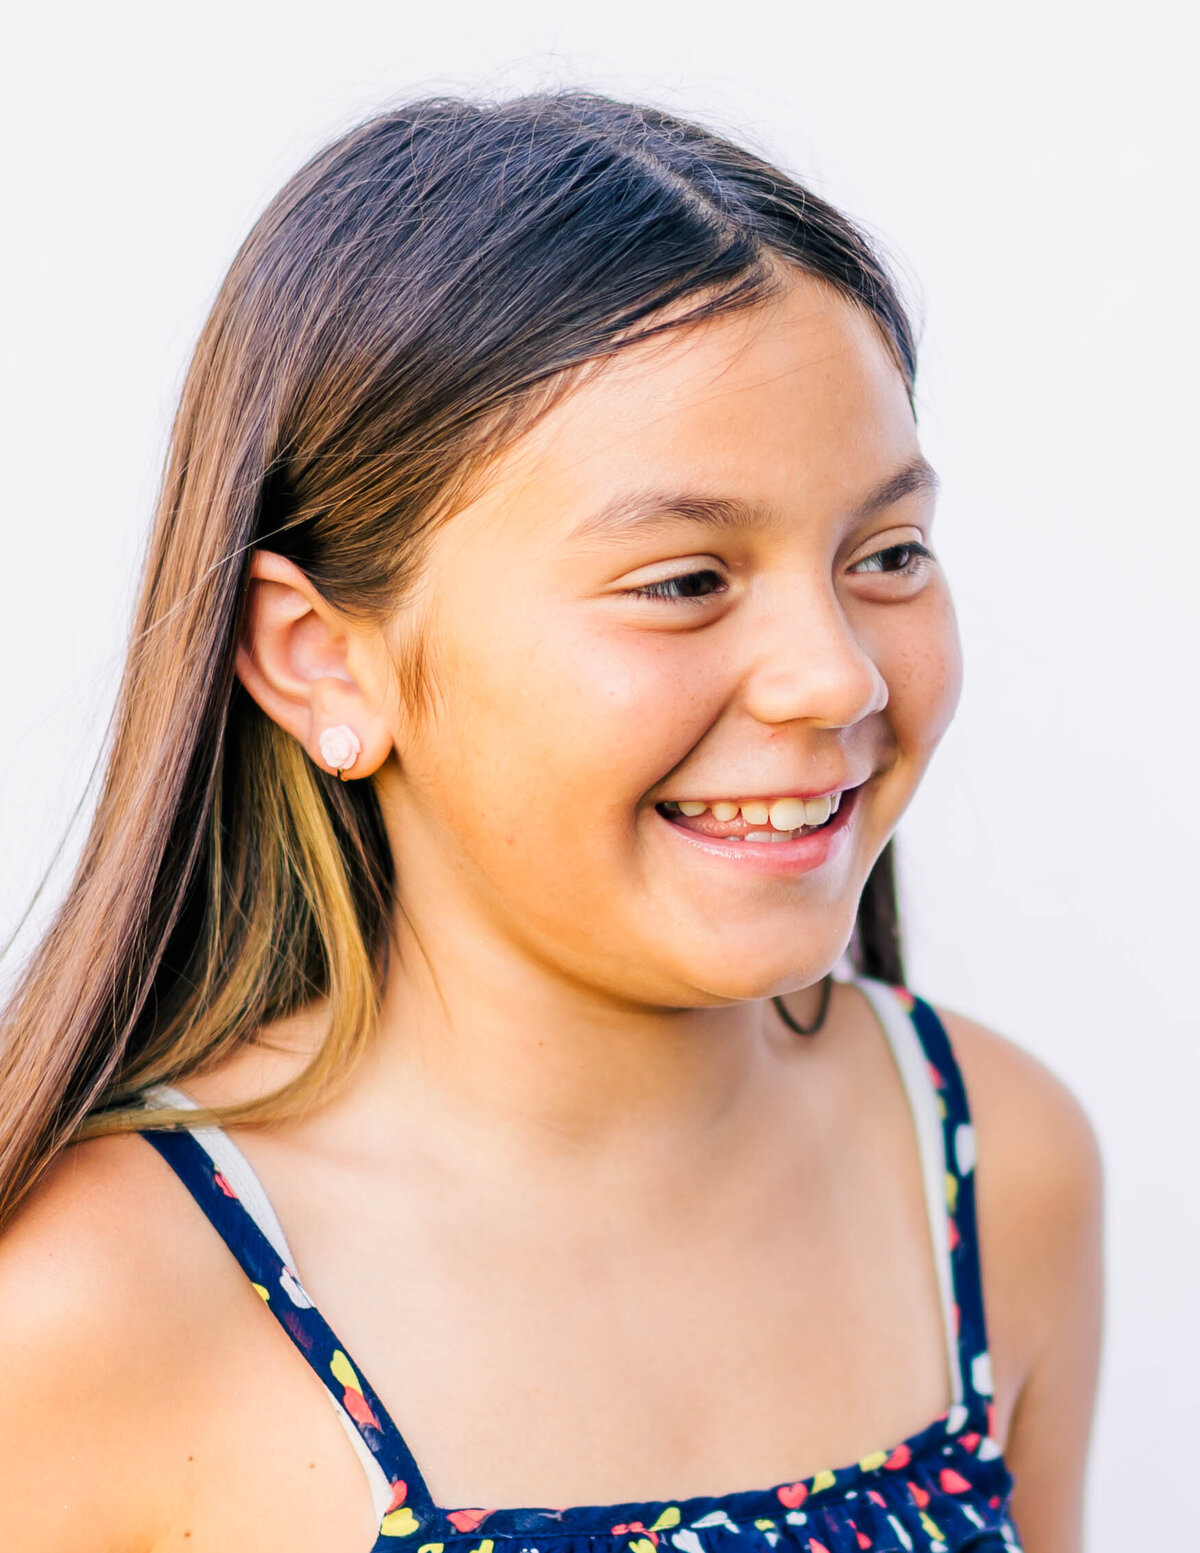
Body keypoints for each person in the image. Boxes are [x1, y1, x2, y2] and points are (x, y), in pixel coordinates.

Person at [0, 93, 1102, 1553]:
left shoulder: (994, 1158)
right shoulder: (87, 1308)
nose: (837, 676)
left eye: (888, 553)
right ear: (324, 659)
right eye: (684, 581)